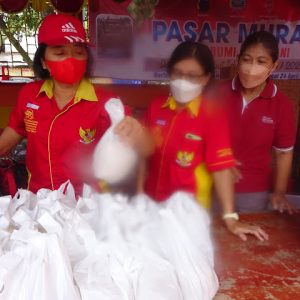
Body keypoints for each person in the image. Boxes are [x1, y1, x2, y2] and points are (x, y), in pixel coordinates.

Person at [0, 13, 147, 195]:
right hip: (40, 202)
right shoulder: (30, 95)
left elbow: (138, 146)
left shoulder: (106, 103)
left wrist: (136, 133)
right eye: (60, 52)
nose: (70, 59)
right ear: (43, 62)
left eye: (78, 52)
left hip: (86, 207)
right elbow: (14, 131)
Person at [141, 41, 268, 241]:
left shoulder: (212, 115)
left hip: (189, 219)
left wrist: (230, 217)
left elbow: (221, 169)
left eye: (192, 76)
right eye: (177, 73)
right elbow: (143, 157)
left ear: (206, 78)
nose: (183, 80)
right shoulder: (156, 108)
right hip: (151, 212)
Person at [223, 31, 297, 214]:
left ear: (274, 65)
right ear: (238, 60)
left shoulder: (281, 104)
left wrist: (279, 193)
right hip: (215, 184)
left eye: (261, 61)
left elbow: (284, 154)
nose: (251, 68)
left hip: (254, 193)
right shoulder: (218, 93)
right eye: (246, 59)